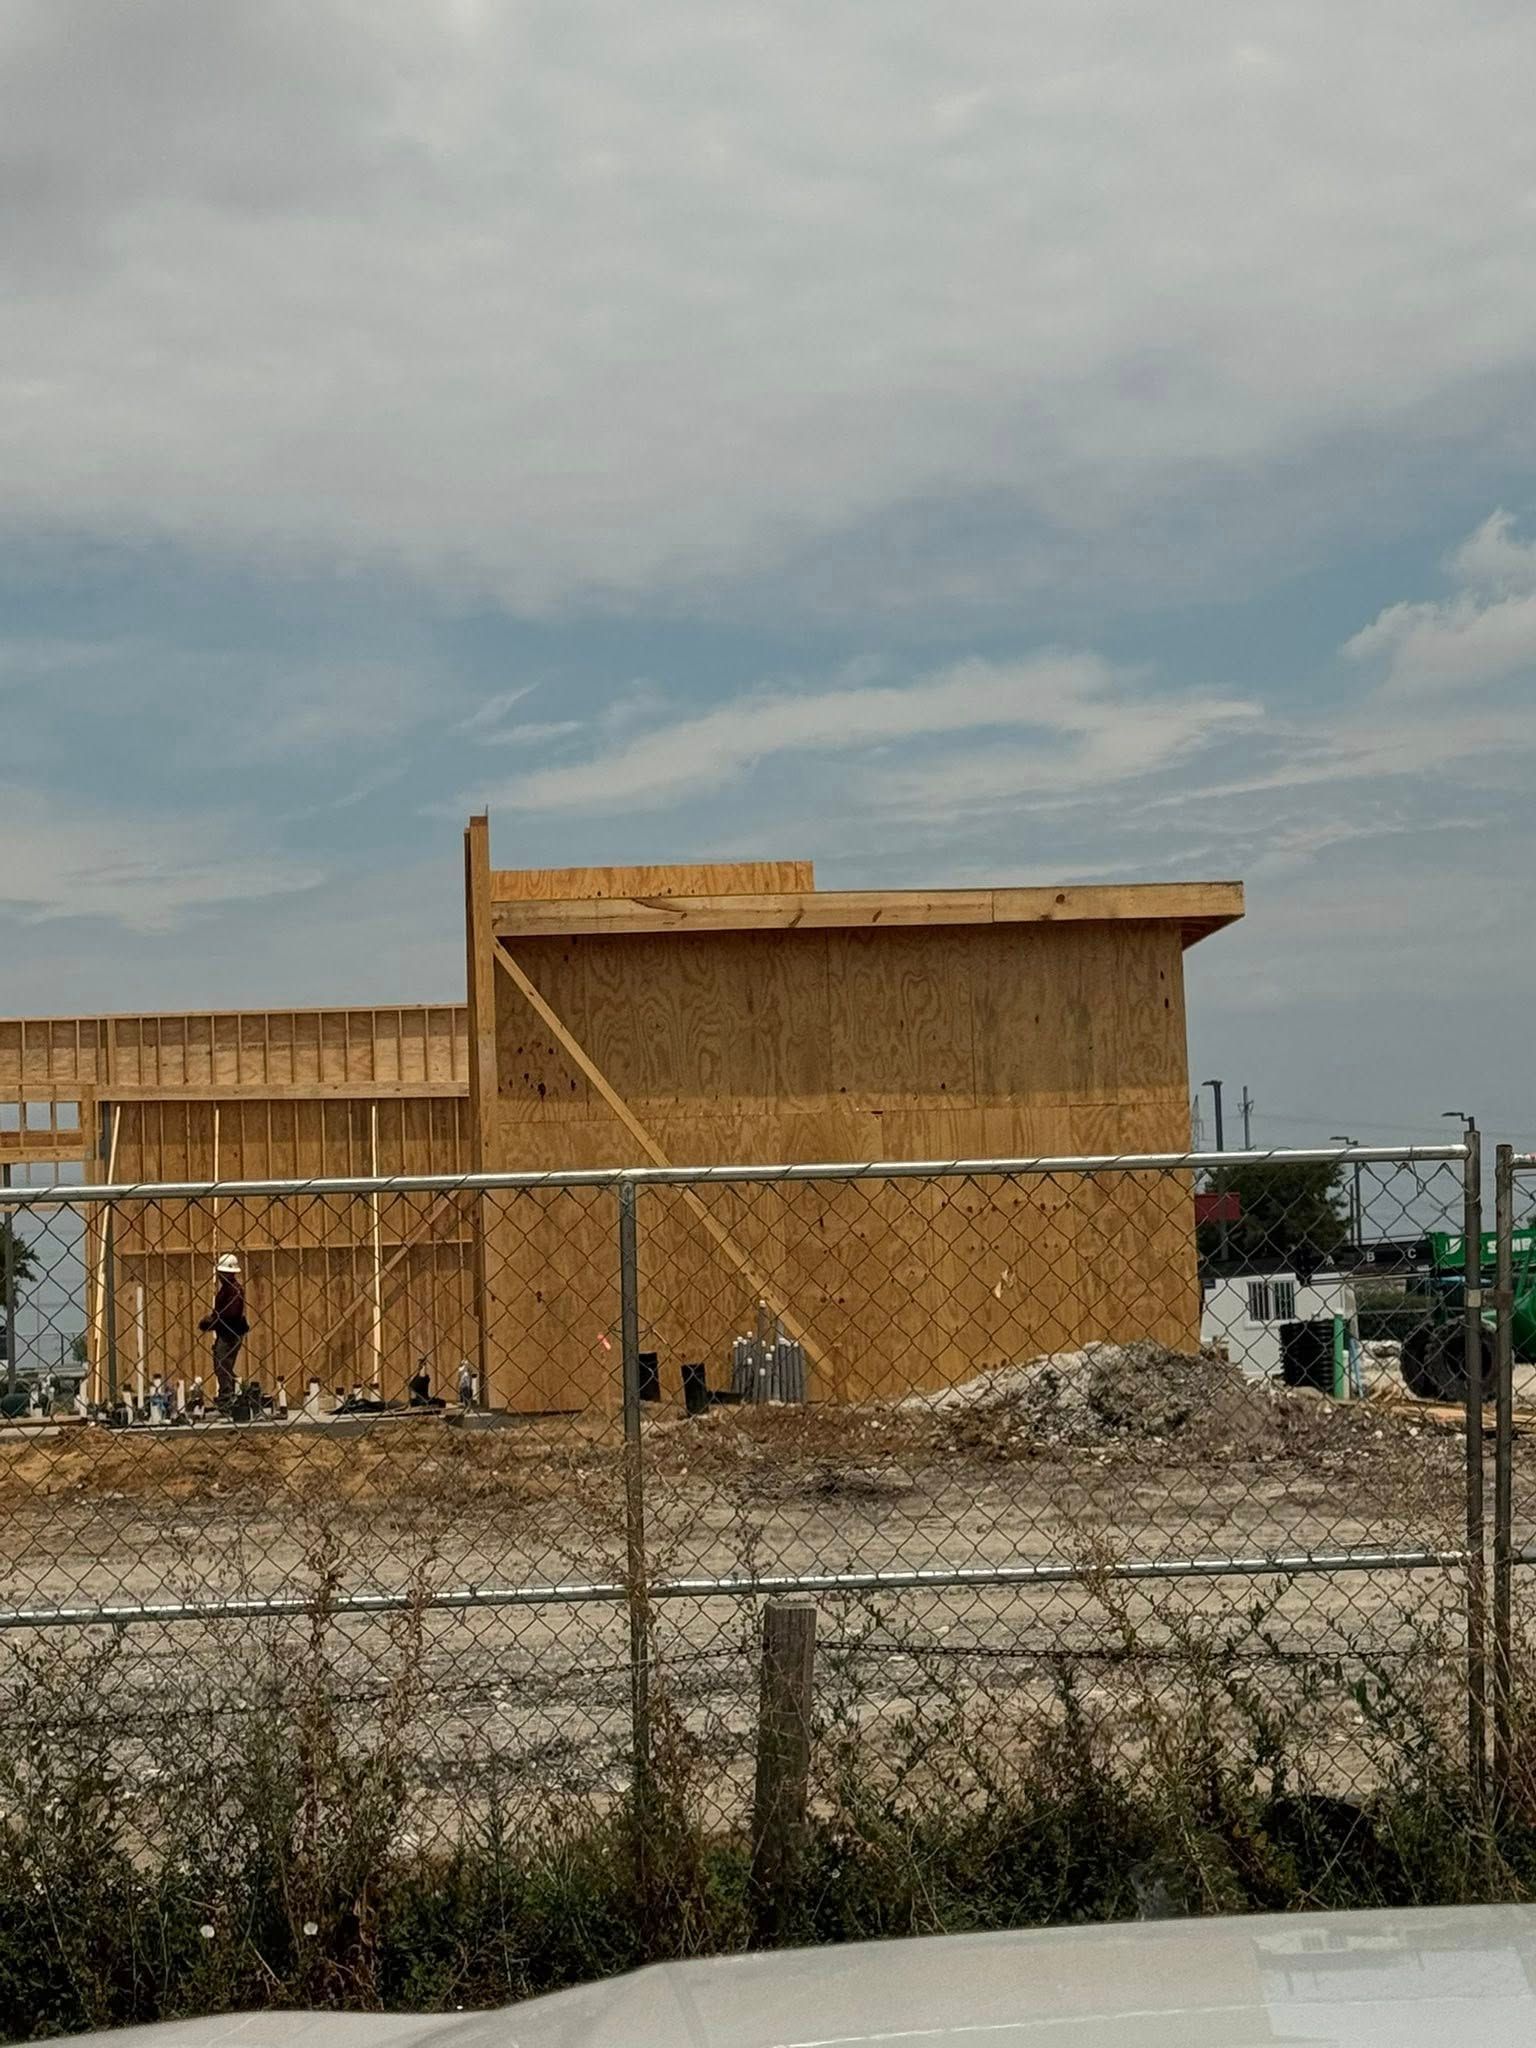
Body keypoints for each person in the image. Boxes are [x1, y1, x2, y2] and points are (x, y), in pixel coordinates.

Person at [198, 1253, 249, 1411]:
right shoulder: (227, 1290)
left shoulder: (234, 1290)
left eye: (223, 1272)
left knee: (222, 1366)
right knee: (223, 1365)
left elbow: (230, 1314)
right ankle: (230, 1394)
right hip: (227, 1332)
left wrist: (213, 1322)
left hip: (230, 1334)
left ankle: (227, 1397)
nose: (220, 1275)